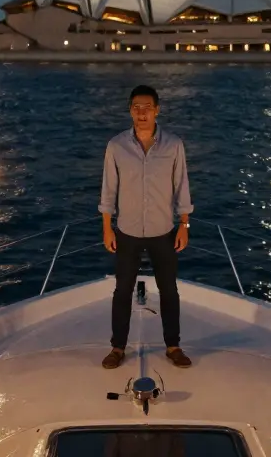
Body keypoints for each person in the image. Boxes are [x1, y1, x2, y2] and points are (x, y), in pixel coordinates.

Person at [99, 84, 194, 370]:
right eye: (136, 108)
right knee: (122, 290)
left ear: (157, 110)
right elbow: (108, 191)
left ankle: (173, 346)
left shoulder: (174, 145)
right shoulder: (116, 146)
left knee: (169, 290)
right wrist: (107, 228)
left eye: (147, 107)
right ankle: (117, 347)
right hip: (126, 230)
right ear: (130, 110)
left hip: (163, 230)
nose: (142, 113)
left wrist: (184, 224)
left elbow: (182, 187)